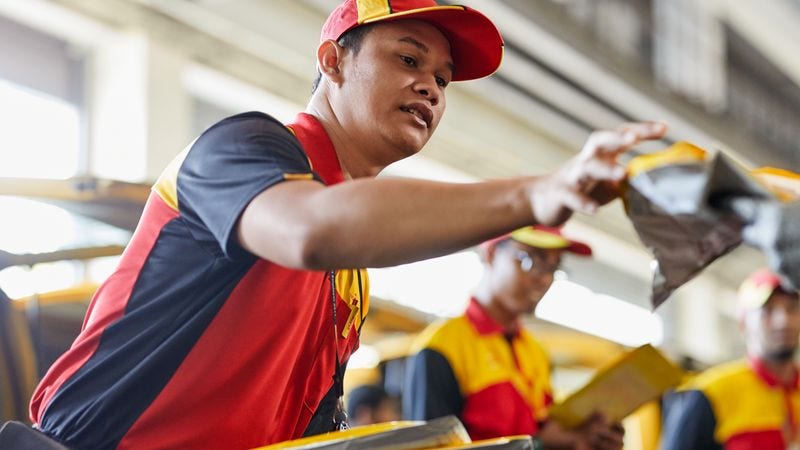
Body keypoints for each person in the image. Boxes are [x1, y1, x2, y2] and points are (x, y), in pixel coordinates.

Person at [27, 0, 666, 448]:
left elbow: (309, 426)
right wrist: (539, 190)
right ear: (333, 61)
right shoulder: (244, 149)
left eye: (442, 79)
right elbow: (311, 228)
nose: (432, 88)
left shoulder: (352, 270)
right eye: (408, 59)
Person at [403, 226, 625, 449]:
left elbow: (542, 433)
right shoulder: (442, 348)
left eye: (553, 268)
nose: (545, 279)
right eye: (531, 260)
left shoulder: (535, 352)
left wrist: (583, 439)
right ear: (490, 255)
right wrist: (538, 444)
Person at [660, 268, 800, 450]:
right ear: (743, 323)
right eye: (768, 310)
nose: (783, 321)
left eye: (792, 309)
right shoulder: (710, 393)